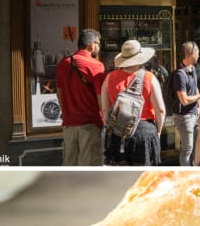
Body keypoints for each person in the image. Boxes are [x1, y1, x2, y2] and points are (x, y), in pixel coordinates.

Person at [100, 40, 165, 166]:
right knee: (143, 178)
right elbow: (160, 110)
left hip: (117, 133)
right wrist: (158, 132)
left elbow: (105, 110)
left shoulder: (109, 78)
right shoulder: (149, 78)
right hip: (144, 133)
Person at [55, 28, 106, 165]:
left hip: (69, 125)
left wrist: (67, 112)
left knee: (70, 166)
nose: (99, 47)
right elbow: (101, 98)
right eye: (98, 44)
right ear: (91, 45)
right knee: (90, 169)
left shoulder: (63, 63)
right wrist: (105, 121)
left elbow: (59, 92)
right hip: (90, 125)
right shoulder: (96, 66)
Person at [172, 41, 200, 165]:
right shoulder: (180, 75)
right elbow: (184, 100)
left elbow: (195, 88)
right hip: (184, 116)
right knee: (187, 149)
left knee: (195, 147)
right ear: (192, 53)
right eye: (197, 52)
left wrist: (199, 106)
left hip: (194, 114)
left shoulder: (192, 69)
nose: (199, 55)